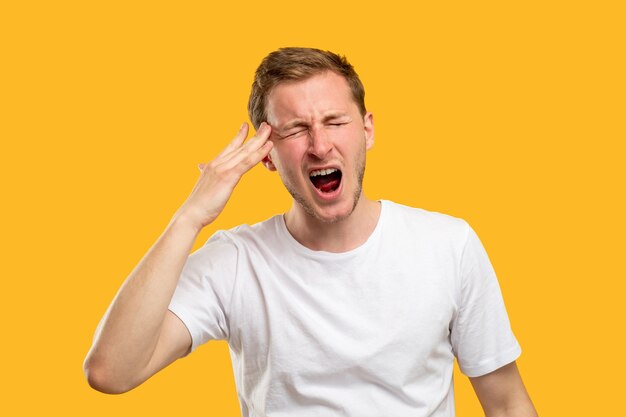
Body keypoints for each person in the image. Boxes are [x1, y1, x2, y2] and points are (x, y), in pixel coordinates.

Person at [84, 47, 537, 417]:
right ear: (266, 155)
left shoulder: (448, 245)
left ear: (367, 129)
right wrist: (189, 217)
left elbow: (507, 403)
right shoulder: (236, 261)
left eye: (335, 122)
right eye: (297, 129)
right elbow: (111, 373)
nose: (320, 146)